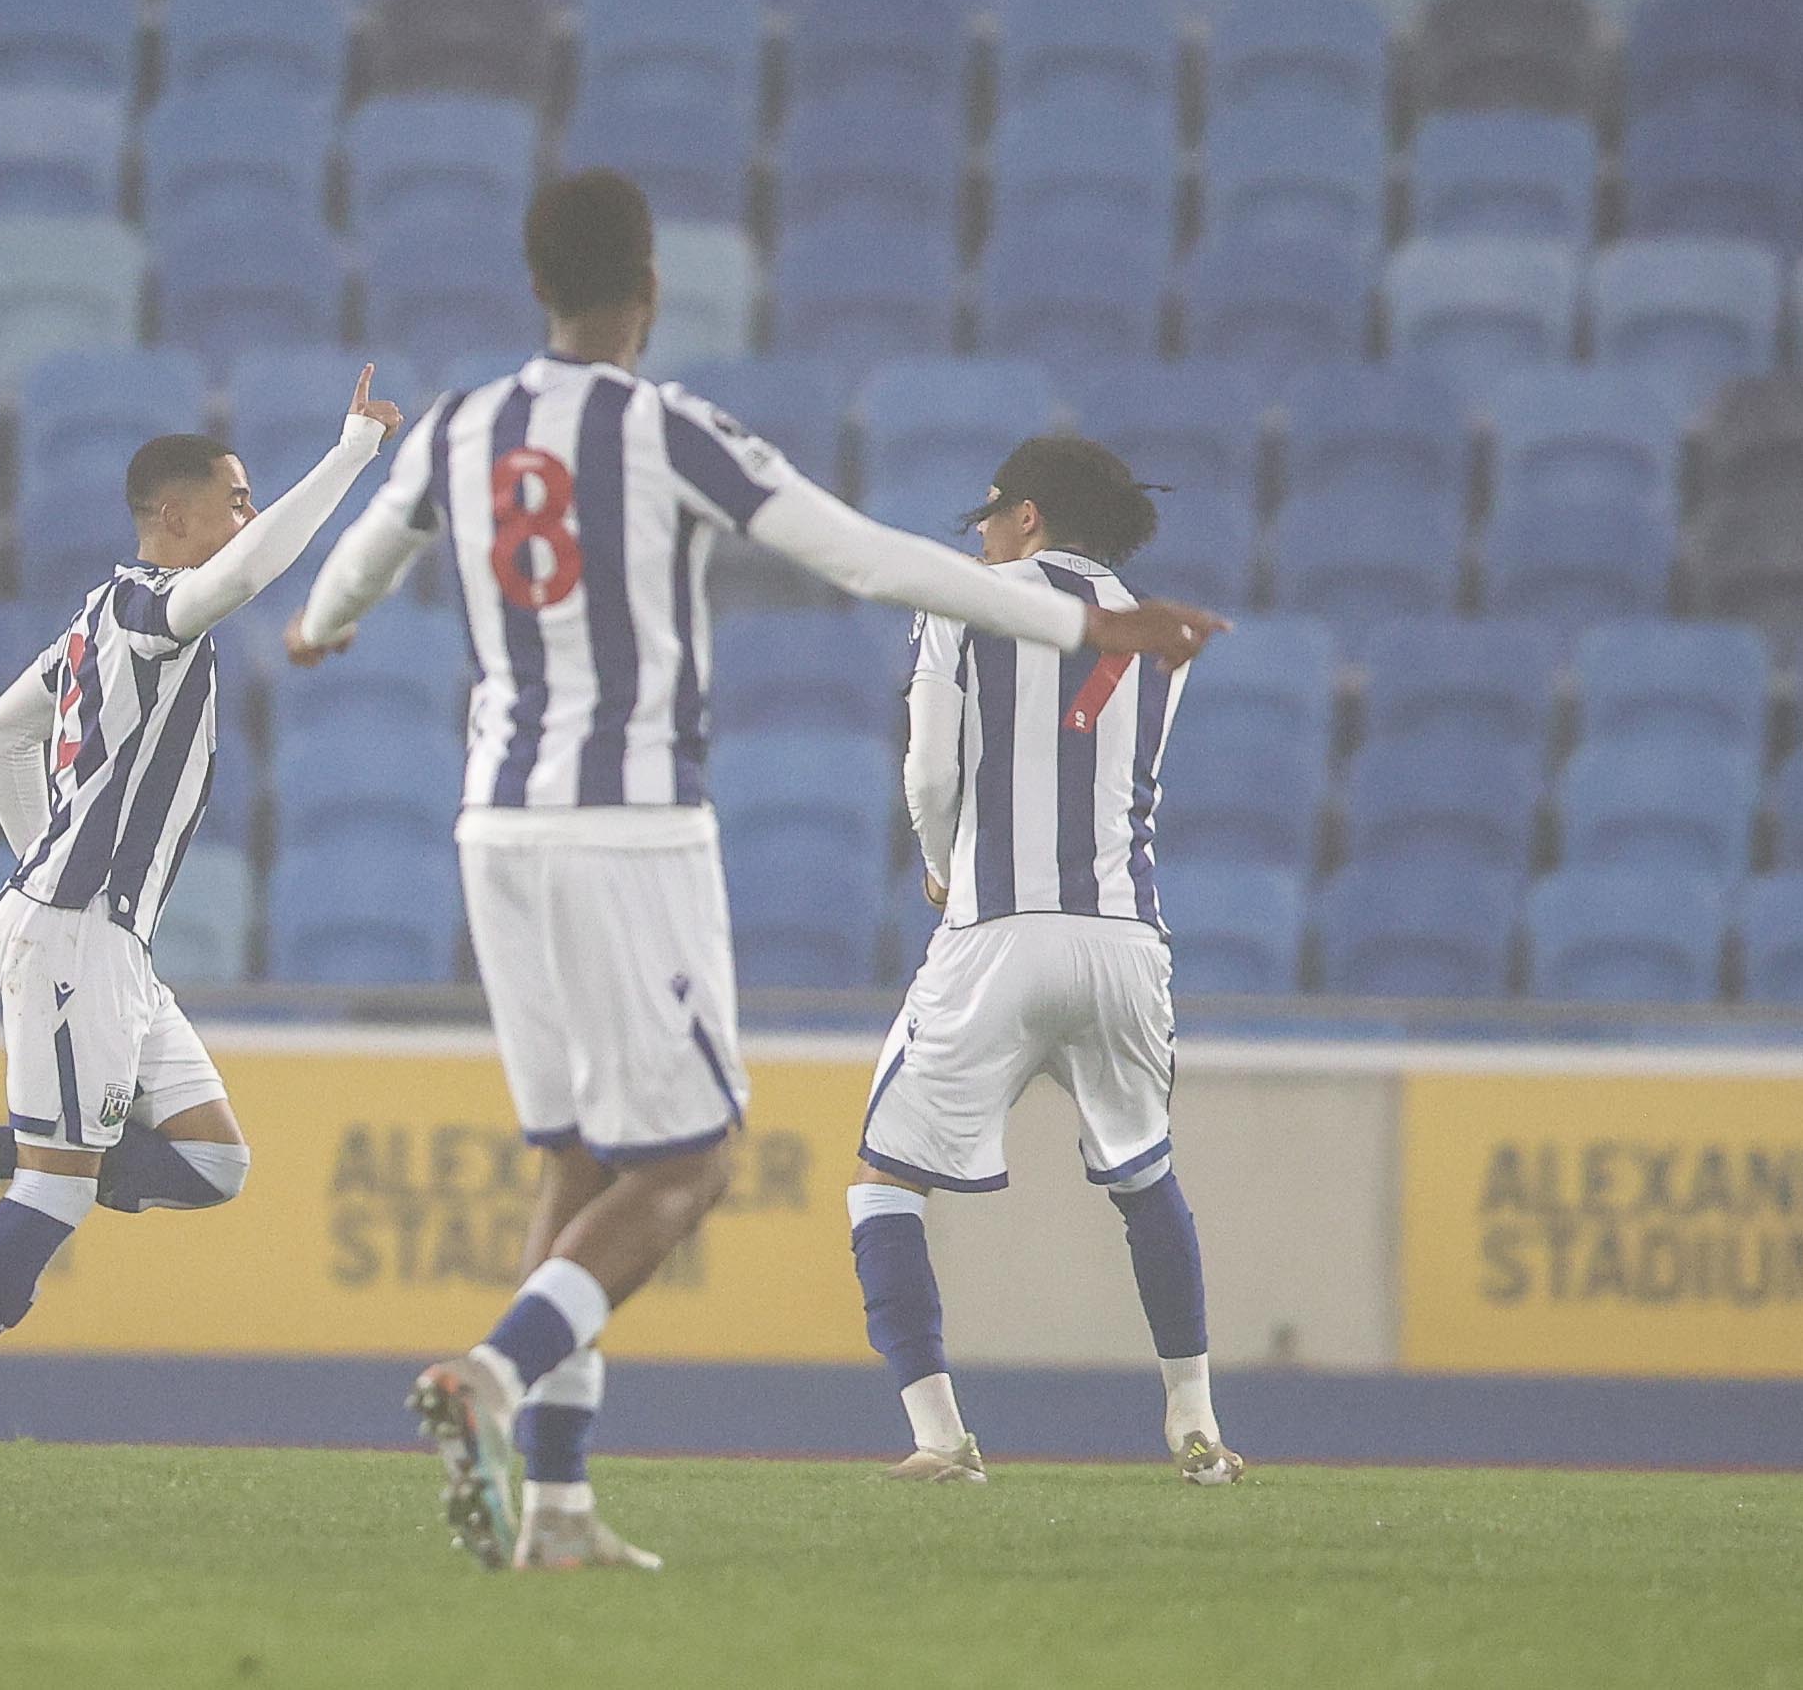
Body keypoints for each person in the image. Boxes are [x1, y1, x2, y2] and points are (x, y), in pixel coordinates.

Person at [283, 170, 1230, 1569]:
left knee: (575, 1161)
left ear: (532, 283)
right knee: (688, 1166)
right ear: (647, 292)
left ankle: (554, 1505)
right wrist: (1085, 635)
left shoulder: (460, 429)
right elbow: (860, 558)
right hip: (630, 829)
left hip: (491, 827)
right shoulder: (671, 432)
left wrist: (315, 626)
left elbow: (352, 571)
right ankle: (487, 1373)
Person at [0, 365, 403, 1462]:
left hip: (99, 936)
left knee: (211, 1164)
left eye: (250, 499)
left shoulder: (92, 626)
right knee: (58, 1192)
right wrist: (348, 453)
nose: (245, 518)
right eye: (235, 499)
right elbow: (242, 577)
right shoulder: (149, 609)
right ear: (176, 517)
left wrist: (47, 870)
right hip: (75, 931)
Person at [849, 435, 1244, 1487]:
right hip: (1123, 937)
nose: (977, 535)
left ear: (1025, 516)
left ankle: (939, 1436)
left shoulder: (959, 603)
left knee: (885, 1180)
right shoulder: (1158, 634)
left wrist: (940, 867)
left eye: (986, 516)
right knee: (1145, 1172)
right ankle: (1194, 1425)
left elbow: (932, 772)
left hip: (997, 930)